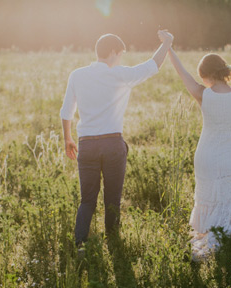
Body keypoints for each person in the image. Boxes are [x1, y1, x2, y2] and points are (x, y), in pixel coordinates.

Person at [61, 31, 174, 256]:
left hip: (87, 145)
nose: (121, 59)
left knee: (87, 200)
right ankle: (113, 244)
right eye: (120, 54)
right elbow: (154, 64)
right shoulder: (121, 74)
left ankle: (80, 245)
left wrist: (68, 138)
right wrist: (168, 43)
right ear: (113, 52)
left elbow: (66, 111)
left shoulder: (77, 75)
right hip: (113, 145)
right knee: (112, 198)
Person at [167, 49, 231, 261]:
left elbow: (183, 74)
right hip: (229, 157)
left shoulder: (203, 94)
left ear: (207, 75)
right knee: (228, 197)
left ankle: (207, 240)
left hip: (205, 156)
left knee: (208, 199)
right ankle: (226, 243)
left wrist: (170, 49)